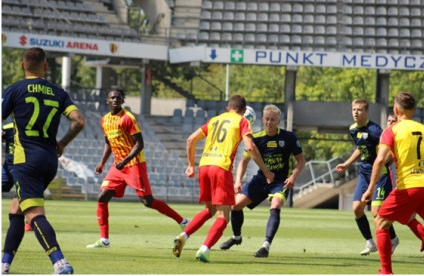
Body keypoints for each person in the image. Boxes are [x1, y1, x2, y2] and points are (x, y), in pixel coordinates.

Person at [1, 47, 86, 274]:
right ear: (46, 67)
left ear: (22, 65)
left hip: (24, 159)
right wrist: (63, 143)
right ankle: (4, 264)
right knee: (16, 209)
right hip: (49, 159)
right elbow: (78, 121)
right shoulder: (58, 92)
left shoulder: (14, 90)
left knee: (34, 213)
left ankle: (60, 263)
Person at [362, 92, 424, 274]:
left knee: (381, 222)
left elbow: (380, 160)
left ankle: (386, 271)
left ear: (395, 110)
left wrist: (370, 188)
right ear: (414, 110)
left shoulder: (391, 131)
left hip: (408, 187)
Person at [172, 95, 275, 263]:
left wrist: (191, 165)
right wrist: (266, 171)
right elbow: (250, 146)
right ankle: (204, 249)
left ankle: (183, 235)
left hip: (204, 167)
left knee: (209, 210)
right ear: (243, 111)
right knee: (223, 217)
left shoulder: (214, 120)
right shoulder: (242, 122)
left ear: (228, 108)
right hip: (221, 168)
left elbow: (191, 139)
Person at [86, 89, 188, 248]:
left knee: (148, 201)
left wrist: (125, 160)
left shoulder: (128, 118)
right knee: (102, 197)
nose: (115, 100)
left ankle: (182, 221)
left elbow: (140, 144)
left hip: (134, 164)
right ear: (107, 100)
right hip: (118, 166)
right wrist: (102, 162)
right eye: (112, 97)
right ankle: (104, 240)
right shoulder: (105, 120)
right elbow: (108, 142)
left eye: (118, 98)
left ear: (122, 100)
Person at [219, 104, 306, 258]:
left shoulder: (288, 137)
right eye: (266, 119)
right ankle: (236, 237)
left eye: (273, 119)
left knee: (276, 204)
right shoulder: (256, 138)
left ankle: (265, 246)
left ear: (278, 121)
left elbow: (300, 160)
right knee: (236, 205)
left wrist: (292, 177)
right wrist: (237, 180)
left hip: (279, 181)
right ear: (262, 119)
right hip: (261, 179)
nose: (269, 122)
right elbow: (243, 162)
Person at [335, 98, 398, 255]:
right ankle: (370, 243)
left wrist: (386, 163)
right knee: (357, 209)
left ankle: (393, 238)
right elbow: (360, 148)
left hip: (380, 175)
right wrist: (347, 164)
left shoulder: (376, 130)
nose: (356, 112)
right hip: (364, 173)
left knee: (377, 212)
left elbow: (390, 148)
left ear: (366, 112)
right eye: (354, 109)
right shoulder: (353, 129)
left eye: (359, 110)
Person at [385, 113, 424, 255]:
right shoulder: (392, 137)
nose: (390, 123)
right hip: (405, 183)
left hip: (405, 184)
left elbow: (384, 161)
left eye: (393, 121)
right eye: (388, 121)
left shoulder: (398, 138)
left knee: (382, 216)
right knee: (407, 217)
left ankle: (390, 250)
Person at [2, 123, 33, 232]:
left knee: (25, 196)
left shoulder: (31, 129)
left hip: (23, 167)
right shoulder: (8, 128)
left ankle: (29, 224)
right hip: (8, 167)